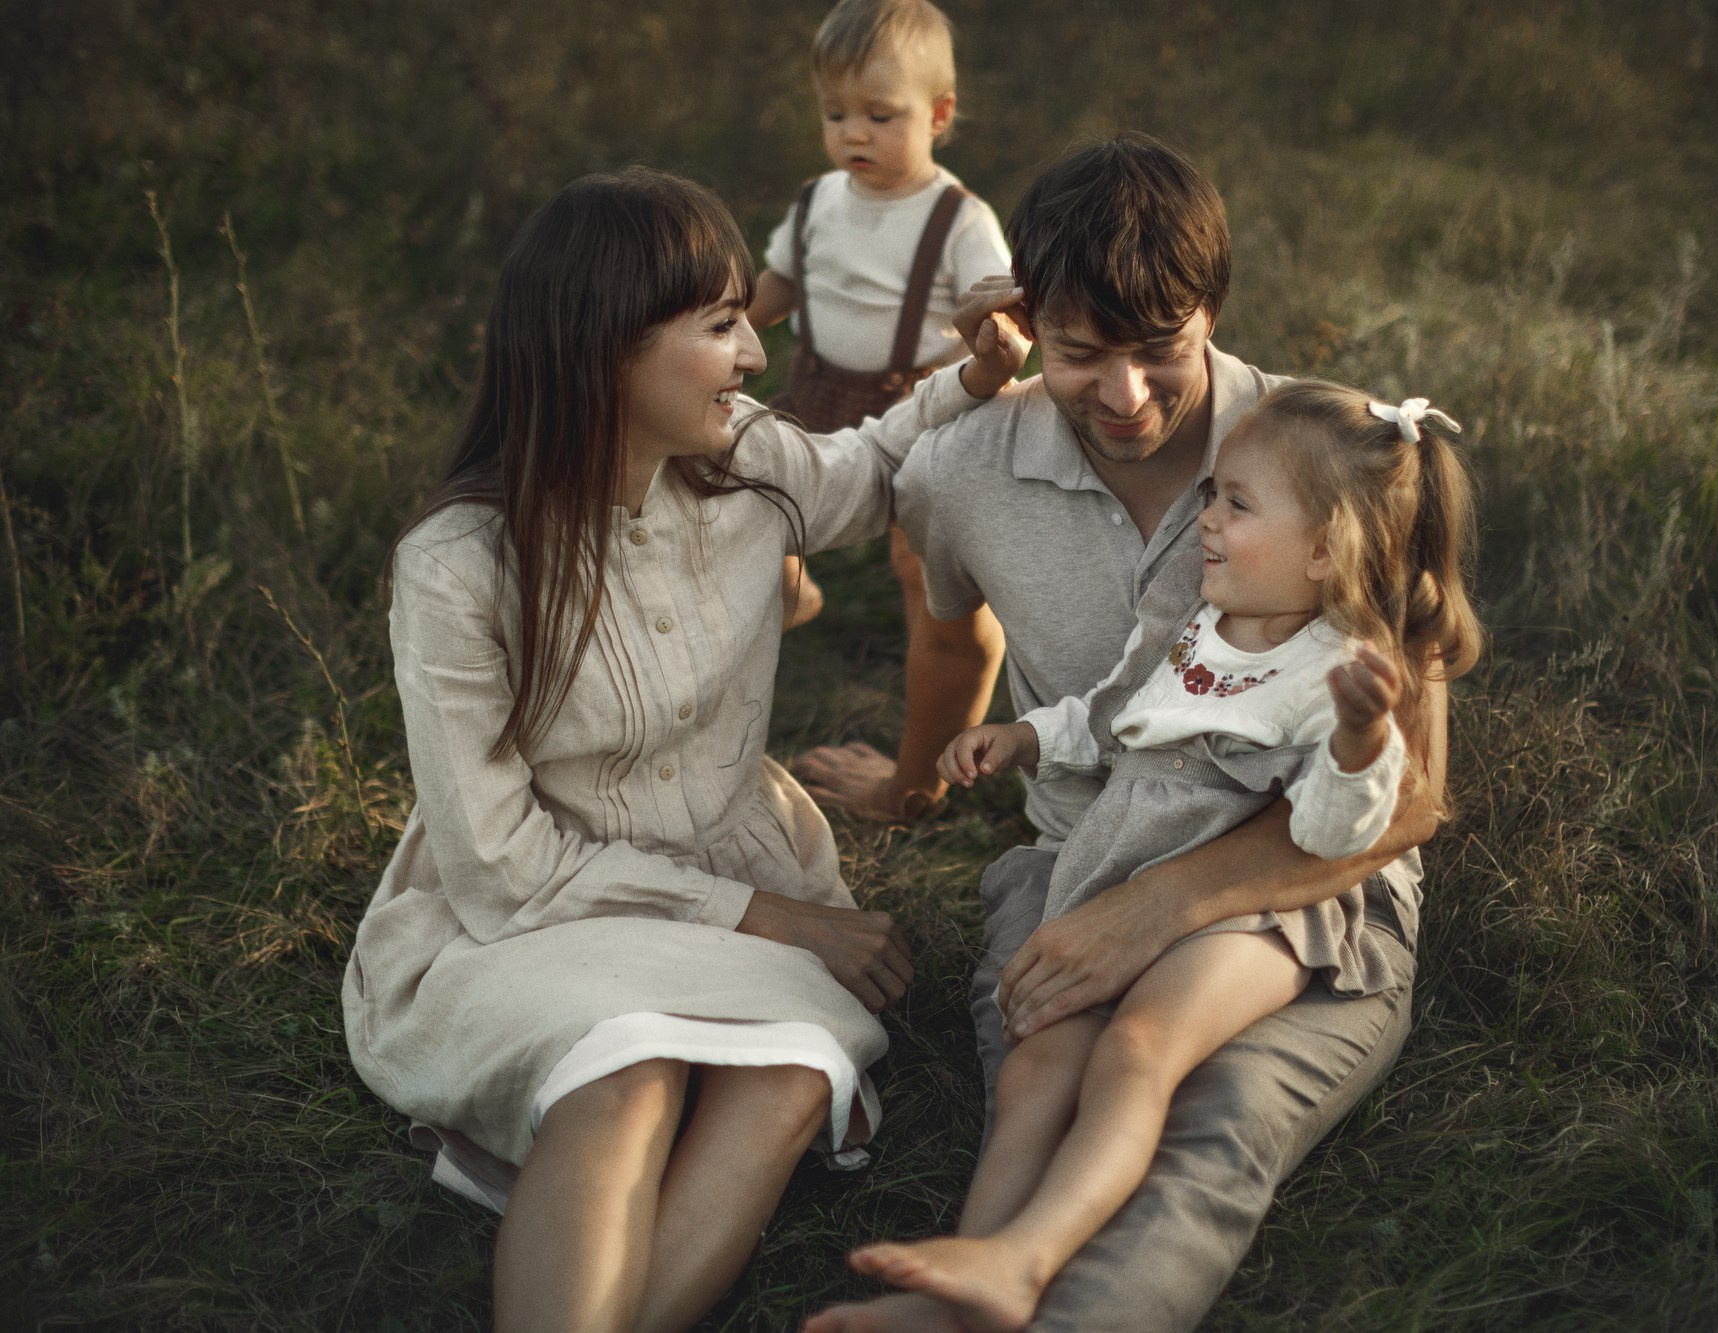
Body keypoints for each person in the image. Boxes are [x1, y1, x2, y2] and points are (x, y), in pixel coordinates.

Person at [339, 165, 1025, 1333]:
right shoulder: (459, 566)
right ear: (603, 347)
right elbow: (502, 865)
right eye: (717, 328)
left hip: (735, 858)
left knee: (784, 1075)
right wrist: (782, 918)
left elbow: (858, 476)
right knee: (623, 1072)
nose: (754, 357)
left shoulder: (746, 457)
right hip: (537, 912)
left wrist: (975, 378)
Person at [807, 133, 1454, 1333]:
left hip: (1303, 868)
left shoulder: (1324, 451)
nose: (1126, 397)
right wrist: (911, 787)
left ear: (1210, 309)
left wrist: (1158, 910)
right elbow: (954, 645)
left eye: (1161, 351)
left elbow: (1408, 796)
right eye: (1077, 355)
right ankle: (967, 1284)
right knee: (1045, 1073)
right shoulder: (960, 467)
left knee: (1202, 1121)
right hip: (1081, 850)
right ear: (1025, 320)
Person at [748, 0, 1011, 821]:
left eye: (879, 115)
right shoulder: (817, 201)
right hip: (819, 393)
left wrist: (987, 352)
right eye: (835, 114)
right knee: (739, 489)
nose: (853, 134)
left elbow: (999, 324)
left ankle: (923, 775)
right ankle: (794, 588)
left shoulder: (959, 219)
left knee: (926, 577)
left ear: (938, 114)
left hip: (925, 417)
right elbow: (780, 289)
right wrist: (718, 323)